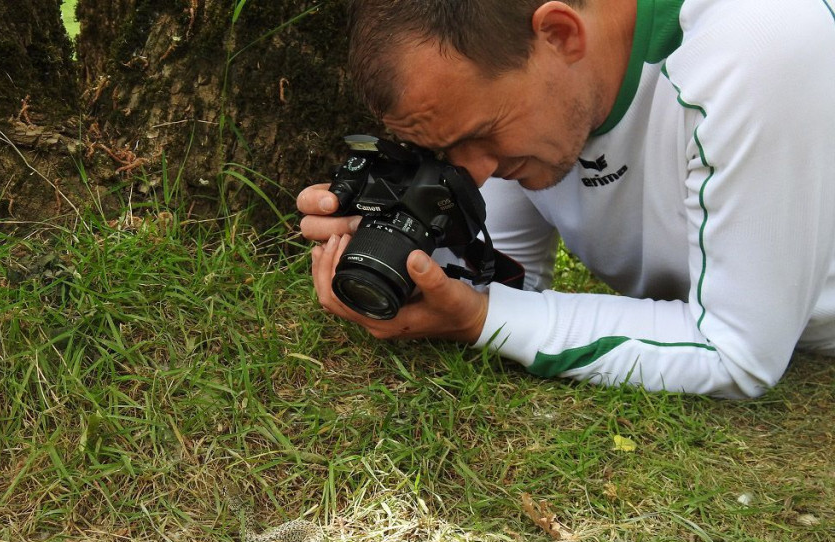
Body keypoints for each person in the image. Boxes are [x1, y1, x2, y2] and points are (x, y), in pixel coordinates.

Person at [298, 0, 835, 399]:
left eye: (481, 135)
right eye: (445, 151)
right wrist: (397, 249)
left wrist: (480, 320)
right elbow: (511, 278)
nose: (474, 175)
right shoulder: (522, 86)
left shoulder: (758, 43)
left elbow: (734, 352)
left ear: (559, 33)